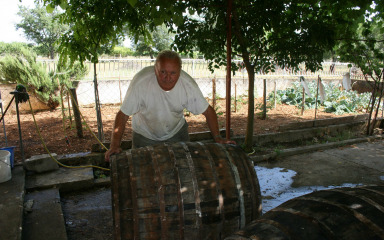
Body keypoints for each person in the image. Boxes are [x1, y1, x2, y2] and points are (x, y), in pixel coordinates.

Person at [105, 50, 235, 161]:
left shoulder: (187, 84)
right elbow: (123, 115)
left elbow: (208, 111)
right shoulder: (141, 82)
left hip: (176, 133)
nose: (168, 77)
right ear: (155, 69)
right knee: (142, 175)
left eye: (173, 73)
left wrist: (218, 138)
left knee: (185, 171)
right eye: (163, 72)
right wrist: (114, 145)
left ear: (180, 71)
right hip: (144, 135)